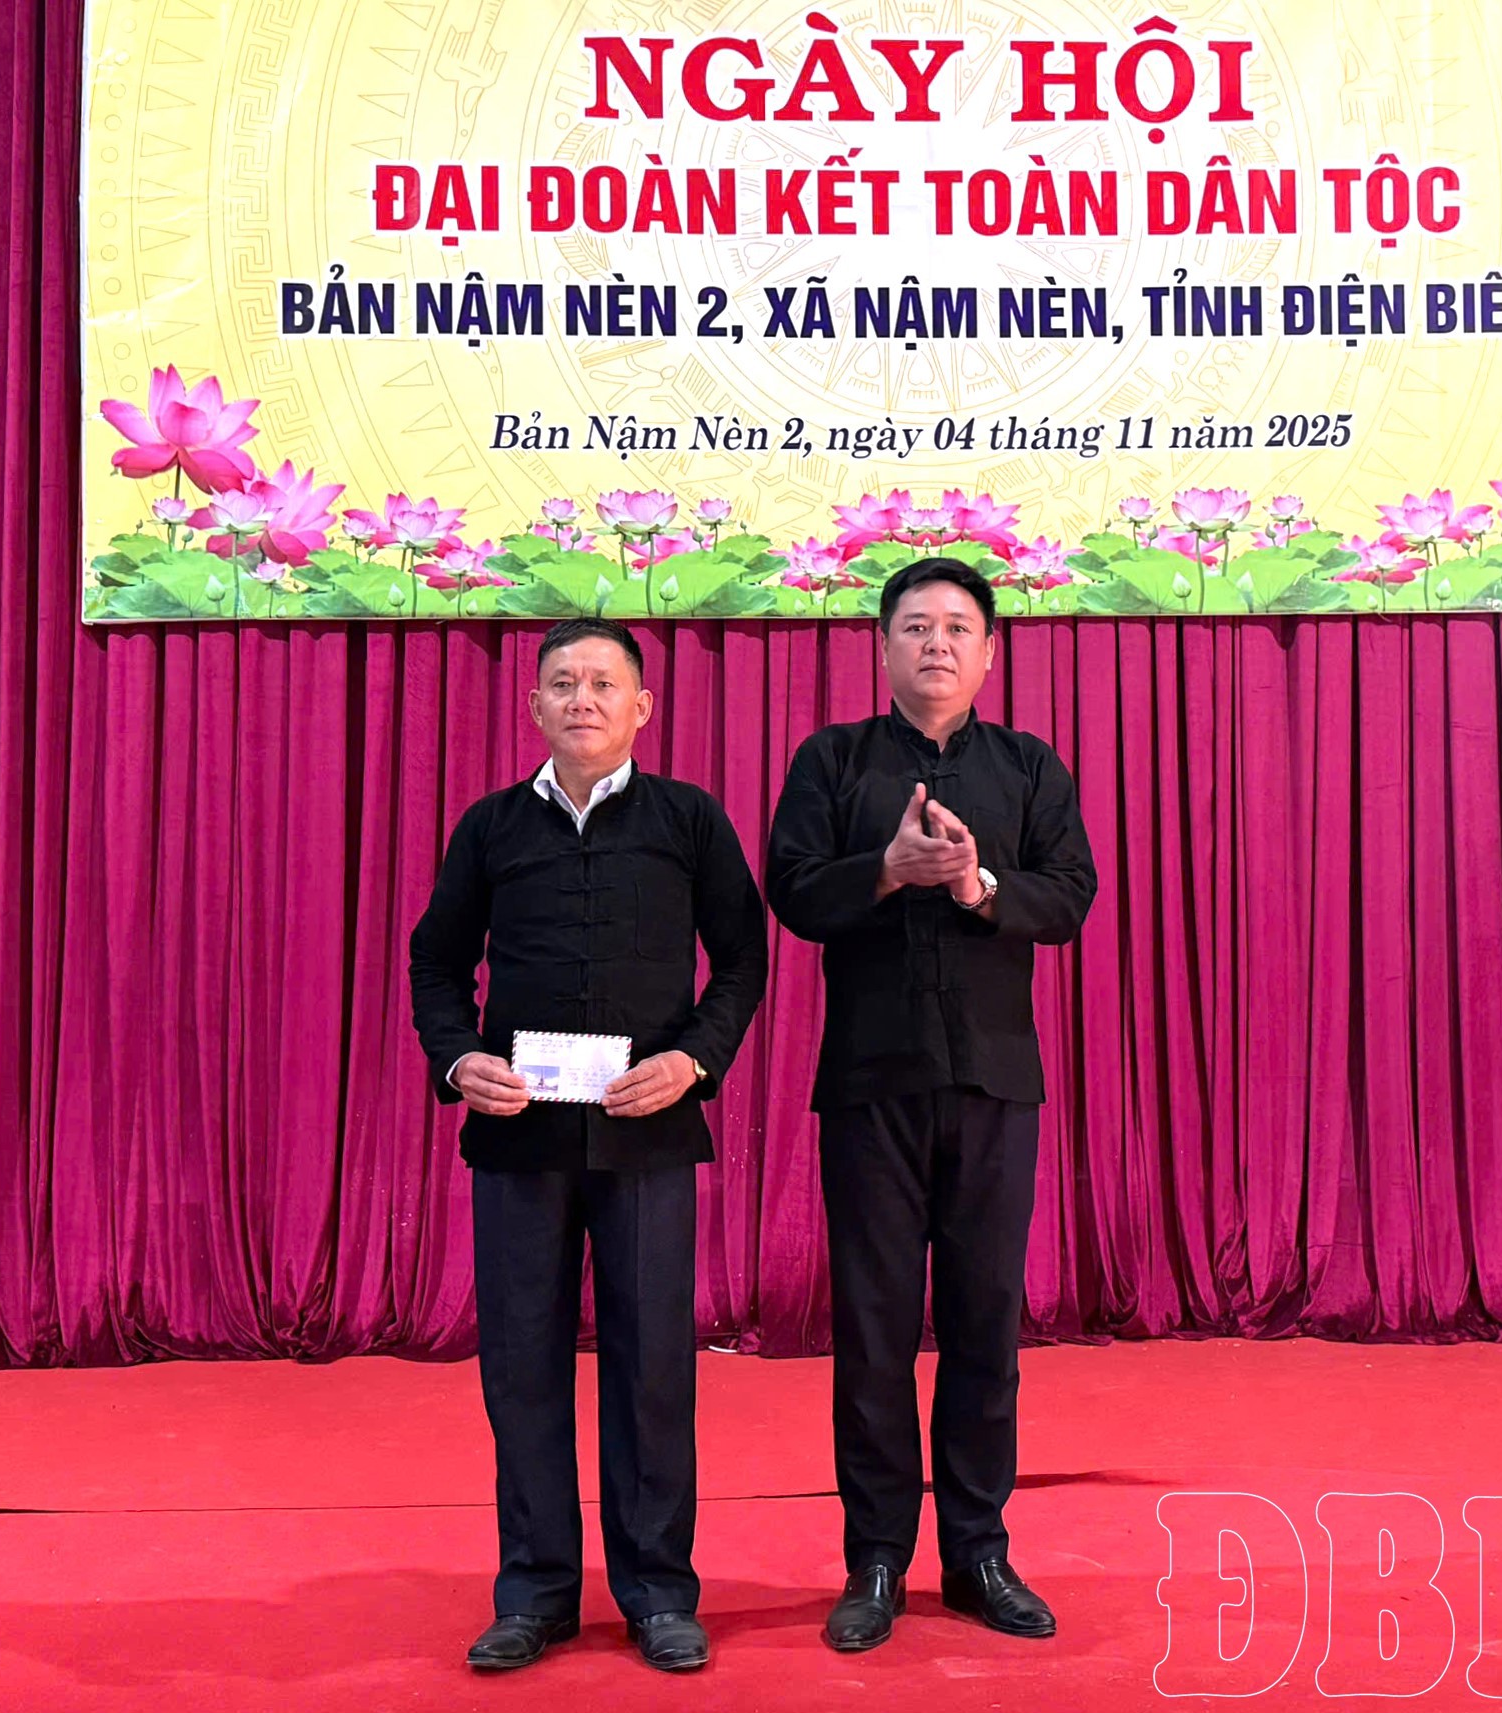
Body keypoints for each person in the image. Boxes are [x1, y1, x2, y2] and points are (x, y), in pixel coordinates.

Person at [409, 618, 767, 1674]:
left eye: (604, 682)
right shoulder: (490, 828)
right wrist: (458, 1061)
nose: (582, 698)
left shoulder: (688, 820)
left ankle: (657, 1590)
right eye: (562, 682)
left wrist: (694, 1060)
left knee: (653, 1368)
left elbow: (742, 961)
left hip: (646, 1135)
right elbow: (435, 964)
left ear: (642, 707)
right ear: (533, 706)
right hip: (518, 1139)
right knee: (521, 1367)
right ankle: (534, 1592)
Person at [765, 558, 1097, 1652]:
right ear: (882, 647)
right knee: (870, 1329)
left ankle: (977, 1552)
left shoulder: (1028, 766)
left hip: (995, 1082)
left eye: (958, 626)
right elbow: (791, 889)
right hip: (871, 1083)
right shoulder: (833, 760)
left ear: (989, 652)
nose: (937, 644)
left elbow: (1070, 894)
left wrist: (972, 885)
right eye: (915, 626)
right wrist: (887, 870)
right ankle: (874, 1558)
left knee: (984, 1325)